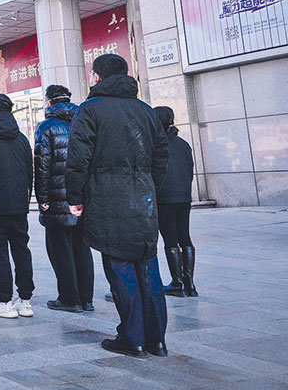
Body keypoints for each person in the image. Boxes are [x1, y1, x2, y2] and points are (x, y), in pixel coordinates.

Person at [66, 54, 169, 358]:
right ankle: (157, 339)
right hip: (143, 198)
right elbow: (161, 157)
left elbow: (78, 159)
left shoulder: (90, 110)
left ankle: (132, 337)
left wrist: (75, 197)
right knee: (148, 265)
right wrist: (148, 186)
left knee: (121, 266)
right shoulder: (146, 111)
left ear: (98, 77)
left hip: (107, 198)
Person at [34, 85, 94, 312]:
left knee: (61, 251)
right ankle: (86, 299)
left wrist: (42, 198)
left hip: (57, 199)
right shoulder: (83, 122)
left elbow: (42, 166)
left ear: (49, 102)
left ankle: (69, 299)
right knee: (82, 247)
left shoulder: (46, 127)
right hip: (82, 198)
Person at [0, 94, 35, 319]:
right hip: (18, 206)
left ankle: (4, 301)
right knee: (22, 250)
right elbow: (30, 171)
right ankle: (25, 301)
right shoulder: (21, 138)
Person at [153, 106, 197, 298]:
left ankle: (177, 282)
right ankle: (190, 283)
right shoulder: (183, 143)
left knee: (170, 239)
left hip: (165, 198)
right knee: (184, 237)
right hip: (183, 197)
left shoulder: (155, 144)